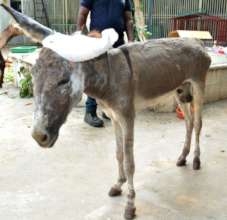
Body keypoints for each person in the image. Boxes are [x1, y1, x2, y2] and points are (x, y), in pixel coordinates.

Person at [77, 0, 134, 127]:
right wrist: (78, 35)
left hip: (118, 43)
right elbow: (82, 14)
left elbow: (128, 19)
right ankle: (90, 112)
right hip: (97, 41)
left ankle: (107, 111)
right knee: (95, 77)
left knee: (114, 79)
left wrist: (131, 40)